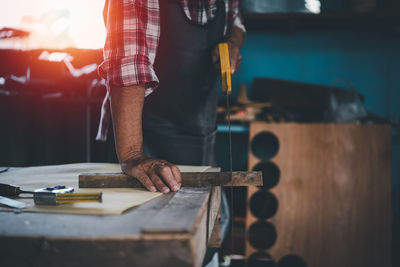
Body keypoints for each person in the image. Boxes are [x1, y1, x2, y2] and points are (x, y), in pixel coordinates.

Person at [96, 0, 245, 264]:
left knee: (204, 246)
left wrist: (232, 42)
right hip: (143, 145)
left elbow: (235, 21)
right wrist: (133, 155)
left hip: (200, 140)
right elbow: (128, 64)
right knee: (144, 250)